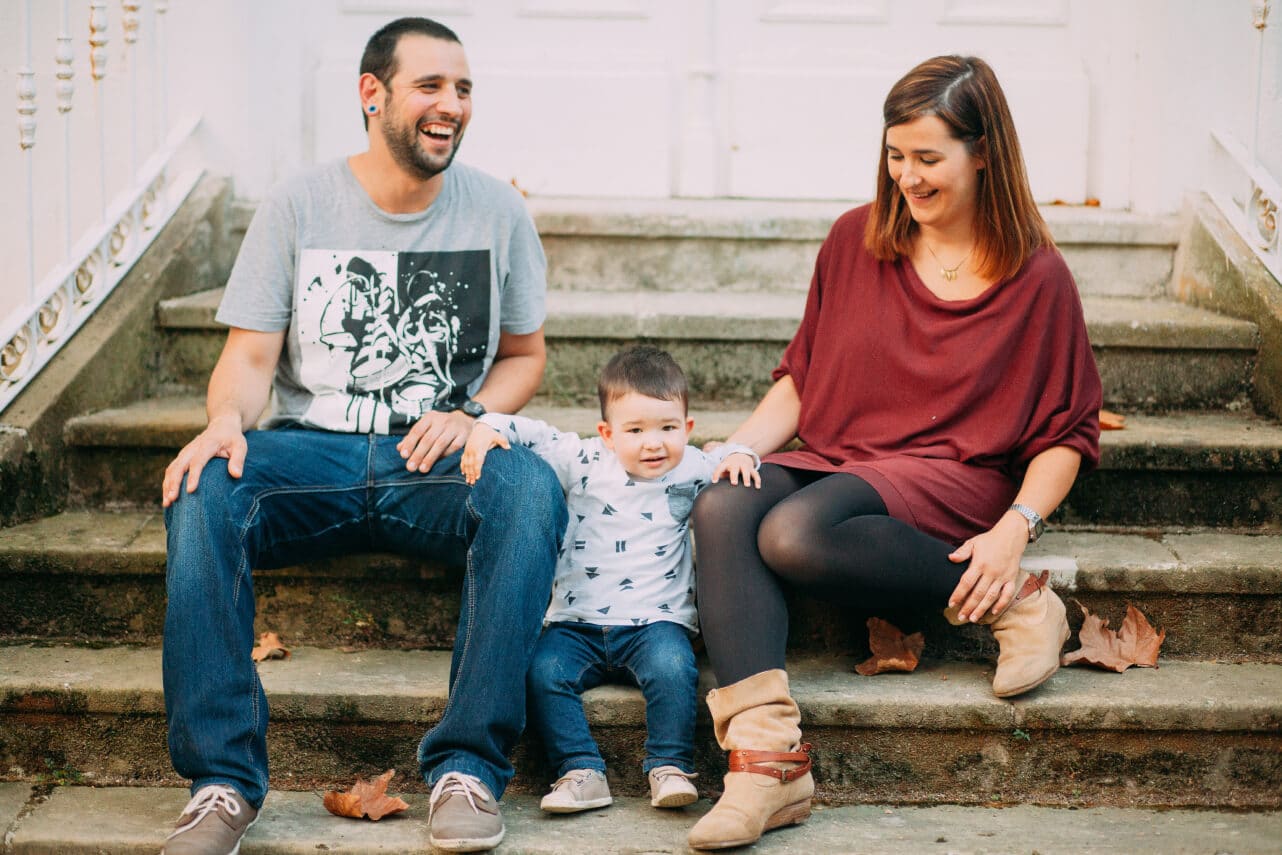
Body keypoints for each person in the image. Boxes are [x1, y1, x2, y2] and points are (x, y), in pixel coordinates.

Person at [158, 17, 567, 854]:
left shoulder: (497, 209)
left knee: (530, 488)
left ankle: (468, 769)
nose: (451, 104)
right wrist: (224, 422)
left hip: (437, 459)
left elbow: (526, 356)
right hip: (314, 454)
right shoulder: (299, 202)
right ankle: (222, 783)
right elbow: (248, 356)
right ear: (371, 93)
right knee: (204, 485)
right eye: (431, 86)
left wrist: (475, 414)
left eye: (463, 88)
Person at [685, 55, 1103, 850]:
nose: (907, 176)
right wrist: (736, 446)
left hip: (953, 478)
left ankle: (1017, 595)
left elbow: (1064, 435)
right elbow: (806, 382)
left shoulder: (1038, 278)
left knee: (794, 532)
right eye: (895, 154)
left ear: (984, 153)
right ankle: (765, 763)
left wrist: (1017, 526)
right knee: (725, 502)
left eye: (928, 157)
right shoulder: (856, 241)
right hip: (845, 459)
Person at [459, 345, 761, 817]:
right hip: (576, 623)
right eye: (635, 431)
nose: (653, 443)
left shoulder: (693, 468)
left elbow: (732, 454)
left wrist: (742, 456)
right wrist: (486, 427)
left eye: (667, 428)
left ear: (688, 428)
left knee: (674, 670)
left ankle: (669, 766)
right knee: (542, 673)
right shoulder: (583, 460)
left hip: (655, 624)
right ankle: (580, 770)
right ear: (606, 433)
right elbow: (533, 433)